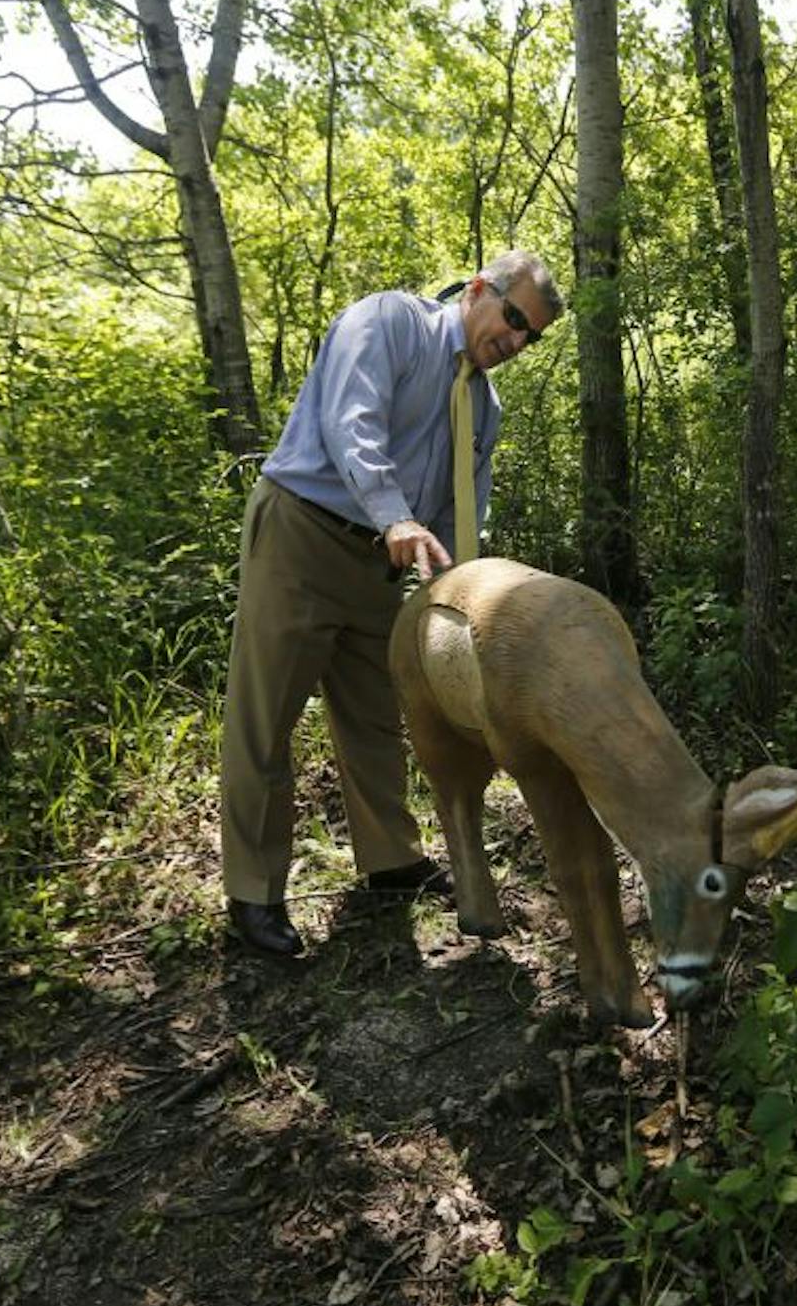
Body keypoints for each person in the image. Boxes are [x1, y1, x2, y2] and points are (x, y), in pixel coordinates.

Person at [220, 250, 563, 956]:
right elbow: (353, 424)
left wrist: (469, 596)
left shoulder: (482, 407)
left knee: (375, 715)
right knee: (264, 718)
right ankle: (254, 891)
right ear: (478, 290)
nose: (518, 342)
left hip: (382, 565)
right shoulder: (387, 323)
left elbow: (457, 510)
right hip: (302, 534)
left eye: (533, 337)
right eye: (515, 319)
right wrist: (394, 516)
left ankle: (390, 861)